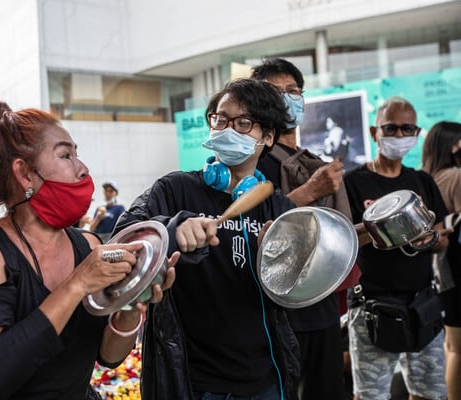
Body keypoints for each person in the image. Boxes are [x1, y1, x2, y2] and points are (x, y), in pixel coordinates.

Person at [0, 101, 178, 399]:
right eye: (65, 155)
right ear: (25, 174)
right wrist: (77, 284)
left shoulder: (88, 245)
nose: (83, 168)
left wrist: (131, 301)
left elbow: (108, 356)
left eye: (77, 154)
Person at [114, 78, 300, 400]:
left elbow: (302, 290)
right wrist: (170, 229)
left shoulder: (279, 208)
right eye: (220, 119)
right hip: (192, 380)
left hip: (266, 377)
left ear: (268, 137)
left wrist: (283, 262)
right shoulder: (174, 190)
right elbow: (119, 244)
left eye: (244, 123)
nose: (229, 130)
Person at [251, 57, 350, 400]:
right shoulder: (252, 163)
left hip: (321, 307)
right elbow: (257, 226)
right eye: (274, 92)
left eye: (292, 91)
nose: (286, 98)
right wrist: (311, 192)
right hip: (277, 314)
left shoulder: (314, 162)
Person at [344, 97, 451, 400]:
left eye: (408, 129)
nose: (400, 136)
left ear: (417, 134)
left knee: (431, 393)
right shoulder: (352, 183)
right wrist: (388, 230)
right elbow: (344, 242)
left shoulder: (421, 181)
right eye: (391, 128)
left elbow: (441, 238)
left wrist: (427, 239)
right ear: (374, 130)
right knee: (371, 396)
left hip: (422, 304)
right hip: (372, 307)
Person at [422, 120, 461, 399]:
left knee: (451, 344)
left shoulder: (426, 177)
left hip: (439, 271)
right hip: (457, 269)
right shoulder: (455, 178)